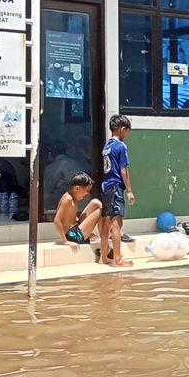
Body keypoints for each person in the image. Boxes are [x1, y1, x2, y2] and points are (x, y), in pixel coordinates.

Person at [99, 114, 135, 267]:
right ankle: (118, 258)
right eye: (127, 132)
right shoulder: (120, 146)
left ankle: (103, 257)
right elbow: (123, 170)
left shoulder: (106, 146)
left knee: (106, 222)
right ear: (122, 129)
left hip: (106, 186)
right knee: (117, 223)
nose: (127, 135)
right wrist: (129, 190)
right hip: (115, 187)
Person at [53, 172, 103, 252]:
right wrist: (65, 241)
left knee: (96, 202)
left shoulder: (73, 197)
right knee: (100, 211)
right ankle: (105, 238)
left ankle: (104, 235)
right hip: (74, 236)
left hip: (76, 228)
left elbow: (72, 218)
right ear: (77, 188)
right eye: (87, 190)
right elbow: (57, 221)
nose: (87, 194)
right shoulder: (68, 199)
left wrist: (88, 231)